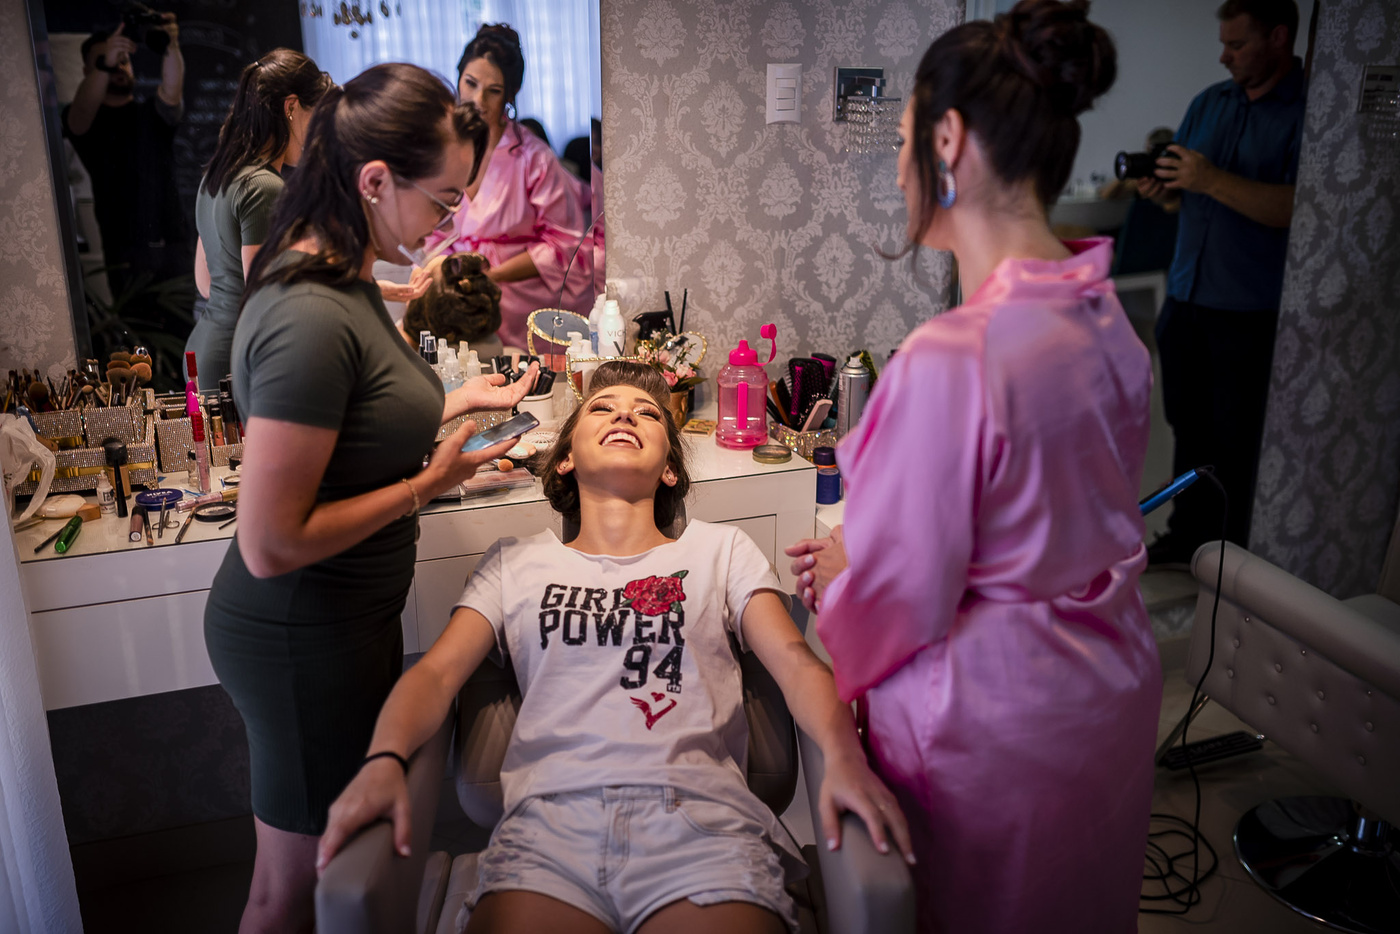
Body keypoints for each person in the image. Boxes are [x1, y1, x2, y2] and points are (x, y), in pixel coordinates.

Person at [786, 2, 1161, 931]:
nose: (899, 169)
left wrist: (840, 579)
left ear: (948, 140)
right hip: (1107, 697)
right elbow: (1044, 522)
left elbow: (903, 601)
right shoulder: (1109, 320)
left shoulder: (954, 357)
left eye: (905, 141)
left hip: (995, 725)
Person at [317, 361, 914, 934]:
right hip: (548, 828)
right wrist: (384, 760)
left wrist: (845, 756)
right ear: (566, 458)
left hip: (702, 824)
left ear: (670, 470)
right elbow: (435, 675)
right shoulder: (514, 563)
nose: (624, 415)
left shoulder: (721, 552)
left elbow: (797, 664)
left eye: (647, 413)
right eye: (601, 408)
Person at [204, 64, 538, 933]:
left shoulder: (348, 275)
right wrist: (426, 485)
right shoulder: (309, 312)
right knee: (289, 892)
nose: (449, 222)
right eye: (444, 199)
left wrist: (454, 404)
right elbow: (269, 543)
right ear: (376, 181)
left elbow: (353, 421)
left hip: (344, 621)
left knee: (333, 865)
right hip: (299, 632)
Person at [1140, 0, 1305, 564]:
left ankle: (1229, 556)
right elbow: (1182, 201)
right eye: (1223, 44)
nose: (1224, 56)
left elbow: (1297, 208)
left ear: (1278, 37)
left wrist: (1209, 179)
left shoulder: (1309, 111)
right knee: (1186, 428)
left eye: (1237, 45)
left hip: (1249, 310)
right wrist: (1164, 192)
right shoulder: (1208, 102)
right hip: (1185, 298)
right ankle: (1187, 535)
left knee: (1236, 439)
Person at [395, 23, 594, 350]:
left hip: (518, 298)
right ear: (458, 78)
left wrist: (492, 276)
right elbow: (430, 225)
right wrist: (446, 269)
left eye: (494, 90)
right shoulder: (441, 149)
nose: (478, 100)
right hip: (455, 289)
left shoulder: (534, 158)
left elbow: (564, 244)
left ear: (510, 95)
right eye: (470, 83)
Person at [185, 50, 333, 390]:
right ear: (292, 107)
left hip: (206, 346)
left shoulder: (216, 177)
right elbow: (266, 295)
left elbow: (205, 283)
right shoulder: (265, 186)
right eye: (316, 116)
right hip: (240, 357)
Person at [63, 12, 189, 299]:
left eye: (123, 60)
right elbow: (79, 114)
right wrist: (105, 63)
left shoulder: (151, 113)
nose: (118, 65)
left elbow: (172, 89)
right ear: (87, 70)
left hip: (173, 245)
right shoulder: (85, 119)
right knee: (134, 326)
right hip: (124, 251)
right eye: (107, 60)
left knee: (182, 326)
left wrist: (171, 45)